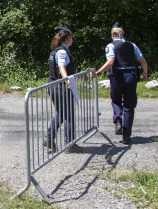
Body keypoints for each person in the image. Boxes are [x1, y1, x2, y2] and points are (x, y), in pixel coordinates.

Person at [91, 22, 148, 145]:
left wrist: (98, 72)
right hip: (131, 76)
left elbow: (111, 61)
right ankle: (126, 136)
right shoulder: (132, 45)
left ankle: (118, 120)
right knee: (129, 106)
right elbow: (143, 61)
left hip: (117, 77)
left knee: (116, 100)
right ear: (123, 34)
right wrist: (145, 73)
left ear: (113, 34)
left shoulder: (111, 46)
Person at [44, 26, 82, 154]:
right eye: (72, 38)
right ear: (68, 38)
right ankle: (69, 144)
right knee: (68, 115)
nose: (73, 40)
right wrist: (67, 80)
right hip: (60, 87)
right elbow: (61, 67)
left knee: (63, 113)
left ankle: (50, 138)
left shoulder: (58, 50)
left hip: (56, 86)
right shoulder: (62, 52)